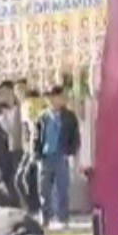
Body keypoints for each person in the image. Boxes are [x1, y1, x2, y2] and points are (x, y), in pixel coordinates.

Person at [35, 85, 82, 226]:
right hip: (45, 155)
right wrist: (36, 153)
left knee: (62, 187)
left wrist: (71, 152)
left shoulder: (69, 116)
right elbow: (36, 136)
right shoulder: (43, 117)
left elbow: (75, 136)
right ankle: (45, 216)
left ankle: (63, 218)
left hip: (61, 155)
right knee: (44, 189)